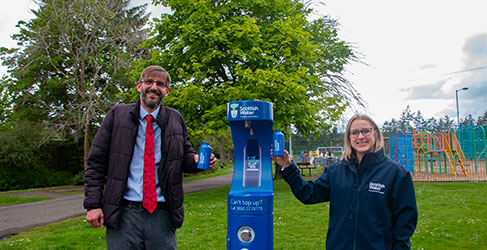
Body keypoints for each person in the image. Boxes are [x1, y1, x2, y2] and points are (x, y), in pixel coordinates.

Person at [84, 65, 217, 250]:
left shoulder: (175, 119)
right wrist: (93, 205)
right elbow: (96, 163)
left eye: (160, 84)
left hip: (162, 215)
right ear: (139, 85)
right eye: (149, 82)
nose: (154, 87)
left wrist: (197, 161)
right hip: (124, 214)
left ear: (167, 91)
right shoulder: (117, 115)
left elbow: (185, 157)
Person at [272, 114, 417, 249]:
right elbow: (308, 194)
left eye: (366, 131)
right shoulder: (336, 171)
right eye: (354, 132)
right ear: (349, 137)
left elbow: (405, 222)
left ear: (376, 133)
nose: (360, 136)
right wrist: (288, 166)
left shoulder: (396, 174)